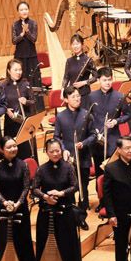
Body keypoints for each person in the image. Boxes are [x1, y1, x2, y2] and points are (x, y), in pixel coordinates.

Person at [32, 138, 83, 261]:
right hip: (46, 213)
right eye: (52, 151)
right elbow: (34, 188)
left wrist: (61, 193)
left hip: (65, 212)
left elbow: (75, 186)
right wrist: (45, 197)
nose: (55, 154)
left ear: (61, 150)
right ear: (46, 152)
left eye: (57, 150)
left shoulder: (68, 167)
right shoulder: (41, 169)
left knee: (67, 246)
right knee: (45, 246)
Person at [0, 137, 35, 261]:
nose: (13, 149)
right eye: (9, 147)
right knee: (3, 242)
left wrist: (18, 203)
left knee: (22, 240)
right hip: (4, 209)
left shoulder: (23, 165)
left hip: (20, 208)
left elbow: (26, 187)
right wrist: (5, 203)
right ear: (1, 150)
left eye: (14, 146)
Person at [54, 88, 94, 230]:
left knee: (83, 187)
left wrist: (84, 143)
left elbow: (93, 135)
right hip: (68, 158)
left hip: (83, 157)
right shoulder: (60, 116)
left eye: (78, 96)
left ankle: (81, 217)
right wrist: (63, 149)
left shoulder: (87, 114)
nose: (77, 99)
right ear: (66, 99)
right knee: (69, 188)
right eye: (73, 96)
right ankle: (71, 216)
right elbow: (57, 136)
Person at [89, 67, 130, 179]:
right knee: (99, 174)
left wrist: (116, 121)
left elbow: (128, 115)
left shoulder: (120, 96)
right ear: (98, 80)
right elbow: (87, 117)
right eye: (104, 80)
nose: (107, 83)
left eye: (109, 79)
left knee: (115, 174)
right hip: (98, 140)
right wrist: (93, 130)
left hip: (113, 140)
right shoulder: (91, 96)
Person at [0, 59, 35, 160]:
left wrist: (26, 101)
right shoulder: (3, 85)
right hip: (10, 123)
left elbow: (33, 101)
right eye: (16, 70)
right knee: (11, 152)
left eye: (20, 69)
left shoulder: (25, 83)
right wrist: (6, 109)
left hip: (23, 122)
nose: (19, 72)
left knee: (26, 152)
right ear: (9, 71)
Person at [61, 34, 97, 109]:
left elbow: (96, 76)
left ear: (82, 45)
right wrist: (62, 92)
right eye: (73, 44)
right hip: (72, 94)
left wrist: (84, 82)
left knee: (84, 115)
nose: (75, 46)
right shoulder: (69, 61)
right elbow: (66, 78)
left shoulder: (88, 60)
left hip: (84, 94)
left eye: (77, 44)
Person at [12, 1, 40, 88]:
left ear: (28, 10)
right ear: (18, 12)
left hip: (31, 55)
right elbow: (14, 41)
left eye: (26, 9)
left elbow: (34, 39)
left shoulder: (33, 23)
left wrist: (27, 31)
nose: (24, 11)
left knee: (33, 79)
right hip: (19, 56)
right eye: (21, 10)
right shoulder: (15, 24)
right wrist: (22, 34)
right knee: (20, 79)